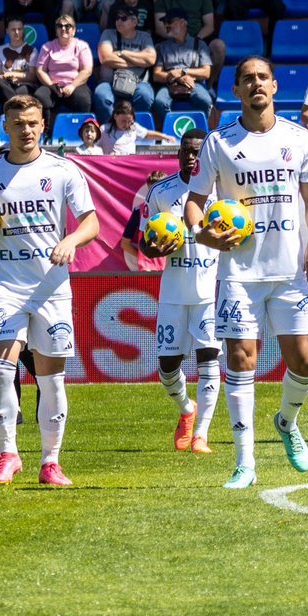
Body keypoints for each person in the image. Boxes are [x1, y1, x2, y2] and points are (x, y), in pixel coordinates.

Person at [188, 56, 308, 490]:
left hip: (288, 271)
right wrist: (200, 233)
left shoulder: (298, 137)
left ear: (274, 84)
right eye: (247, 79)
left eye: (262, 77)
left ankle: (285, 421)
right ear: (236, 89)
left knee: (304, 363)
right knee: (239, 360)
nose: (256, 85)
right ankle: (244, 463)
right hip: (238, 273)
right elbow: (195, 200)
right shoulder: (219, 142)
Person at [0, 98, 99, 484]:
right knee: (0, 370)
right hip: (5, 285)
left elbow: (91, 223)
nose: (26, 130)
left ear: (43, 124)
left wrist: (71, 240)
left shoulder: (63, 170)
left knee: (51, 379)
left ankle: (51, 462)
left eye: (33, 123)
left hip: (51, 287)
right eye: (18, 123)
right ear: (5, 125)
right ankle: (7, 454)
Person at [121, 130, 224, 453]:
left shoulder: (223, 191)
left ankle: (201, 434)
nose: (192, 157)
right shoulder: (160, 192)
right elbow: (145, 246)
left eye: (197, 152)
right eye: (187, 151)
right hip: (173, 291)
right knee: (167, 366)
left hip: (211, 290)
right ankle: (186, 409)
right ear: (178, 154)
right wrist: (158, 247)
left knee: (209, 357)